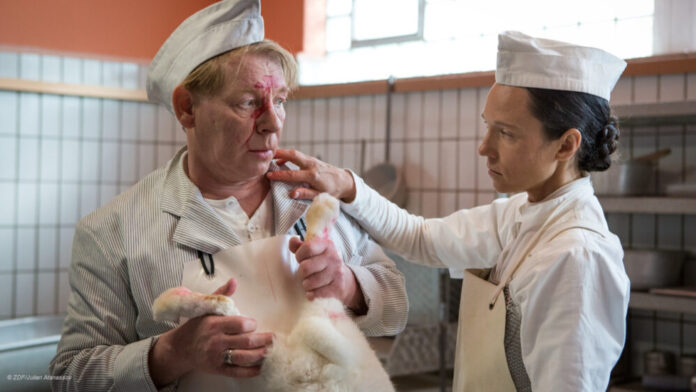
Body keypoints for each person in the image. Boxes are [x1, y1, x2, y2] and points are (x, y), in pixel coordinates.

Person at [49, 1, 408, 390]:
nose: (272, 123)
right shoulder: (112, 232)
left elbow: (397, 308)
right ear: (188, 109)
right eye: (249, 103)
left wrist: (349, 285)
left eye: (281, 100)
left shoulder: (316, 195)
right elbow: (69, 375)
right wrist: (170, 354)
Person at [267, 31, 631, 391]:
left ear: (566, 145)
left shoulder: (577, 259)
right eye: (488, 126)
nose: (484, 147)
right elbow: (420, 238)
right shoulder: (520, 214)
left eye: (506, 133)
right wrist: (348, 185)